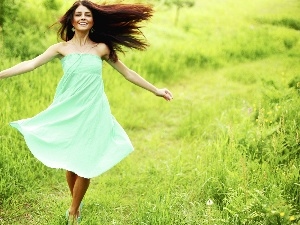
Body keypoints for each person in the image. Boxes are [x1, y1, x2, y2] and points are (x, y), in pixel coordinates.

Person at [0, 0, 173, 224]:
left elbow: (128, 73)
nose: (83, 17)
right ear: (71, 20)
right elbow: (30, 64)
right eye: (79, 14)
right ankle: (77, 202)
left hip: (94, 109)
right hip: (67, 109)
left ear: (93, 21)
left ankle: (73, 211)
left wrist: (156, 90)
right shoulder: (60, 49)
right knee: (71, 160)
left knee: (86, 160)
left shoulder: (101, 48)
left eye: (88, 15)